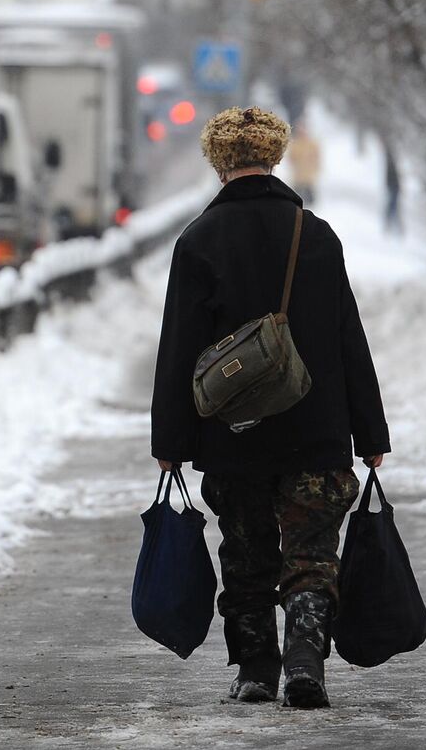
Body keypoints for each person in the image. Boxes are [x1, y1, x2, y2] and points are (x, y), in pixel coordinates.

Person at [150, 106, 391, 709]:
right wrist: (370, 431)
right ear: (275, 155)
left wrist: (171, 442)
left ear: (218, 160)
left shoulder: (198, 240)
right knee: (312, 554)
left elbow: (179, 348)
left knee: (247, 555)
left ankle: (257, 669)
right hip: (317, 429)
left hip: (235, 436)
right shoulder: (316, 235)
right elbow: (347, 337)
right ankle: (306, 662)